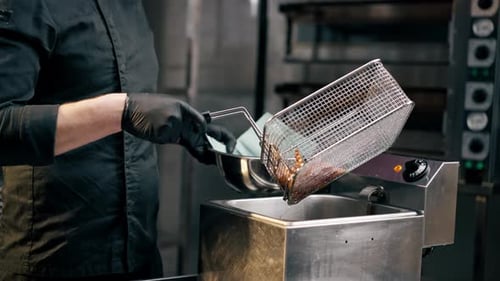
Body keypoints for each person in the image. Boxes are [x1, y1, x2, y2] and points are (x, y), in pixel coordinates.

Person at [0, 1, 235, 280]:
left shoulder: (132, 7)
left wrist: (184, 128)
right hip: (53, 262)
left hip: (141, 258)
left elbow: (127, 105)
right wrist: (120, 111)